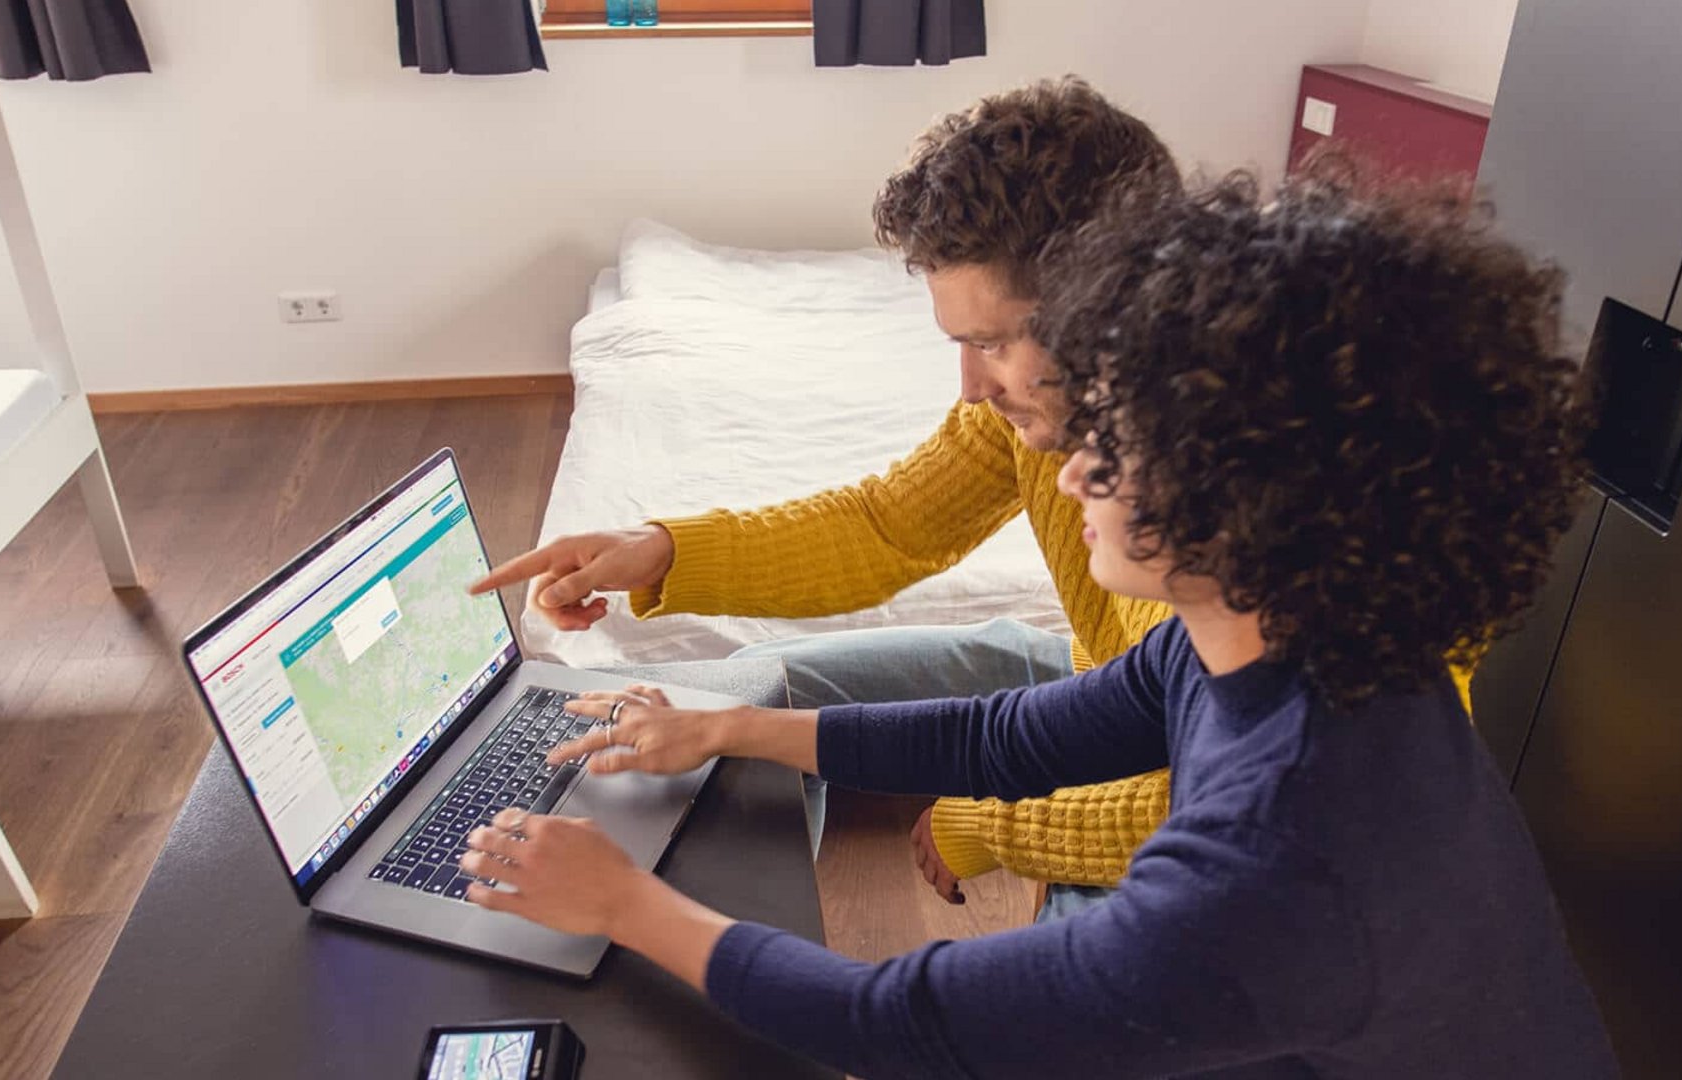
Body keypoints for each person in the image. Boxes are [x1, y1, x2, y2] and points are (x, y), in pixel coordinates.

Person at [451, 170, 1620, 1078]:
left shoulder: (1280, 860)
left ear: (1245, 489)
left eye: (1115, 437)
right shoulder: (1298, 643)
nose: (1066, 471)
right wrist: (731, 732)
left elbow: (896, 1026)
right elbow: (1015, 736)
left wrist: (624, 904)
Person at [472, 77, 1190, 913]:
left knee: (1080, 972)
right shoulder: (1040, 414)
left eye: (991, 343)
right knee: (750, 683)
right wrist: (661, 549)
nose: (969, 387)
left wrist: (989, 824)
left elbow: (1208, 799)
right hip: (1096, 682)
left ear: (1111, 305)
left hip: (1169, 800)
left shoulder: (1211, 497)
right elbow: (889, 528)